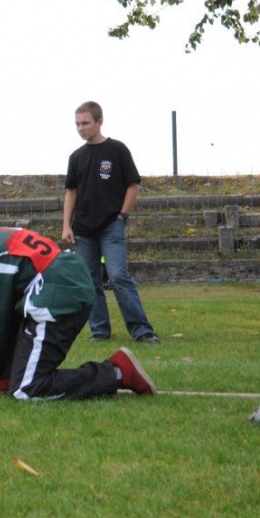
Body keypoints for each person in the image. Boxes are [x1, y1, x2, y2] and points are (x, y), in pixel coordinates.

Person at [0, 191, 156, 399]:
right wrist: (1, 375)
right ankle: (13, 375)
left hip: (57, 293)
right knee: (21, 380)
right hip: (63, 285)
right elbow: (5, 310)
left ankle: (117, 372)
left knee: (26, 389)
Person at [62, 101, 160, 344]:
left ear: (99, 121)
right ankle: (100, 331)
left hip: (111, 226)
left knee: (118, 276)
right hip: (83, 230)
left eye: (85, 123)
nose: (80, 128)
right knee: (89, 281)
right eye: (77, 124)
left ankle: (142, 331)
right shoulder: (76, 157)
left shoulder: (117, 150)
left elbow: (133, 185)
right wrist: (66, 225)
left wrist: (122, 215)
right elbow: (71, 192)